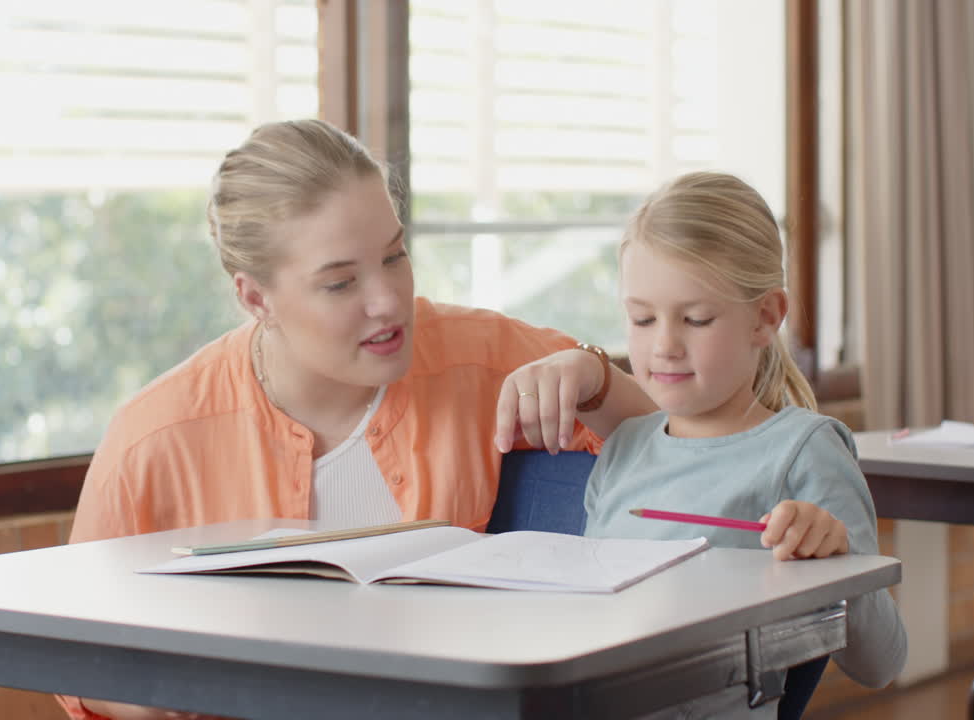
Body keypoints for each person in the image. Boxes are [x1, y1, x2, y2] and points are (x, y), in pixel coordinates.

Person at [58, 119, 655, 720]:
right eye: (341, 282)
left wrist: (597, 379)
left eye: (395, 256)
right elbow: (69, 654)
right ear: (256, 298)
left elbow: (687, 452)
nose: (388, 301)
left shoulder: (481, 356)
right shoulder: (155, 439)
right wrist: (151, 698)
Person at [564, 171, 906, 715]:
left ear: (764, 319)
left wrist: (841, 562)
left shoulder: (804, 453)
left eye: (696, 319)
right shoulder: (623, 448)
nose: (665, 346)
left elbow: (882, 663)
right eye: (642, 318)